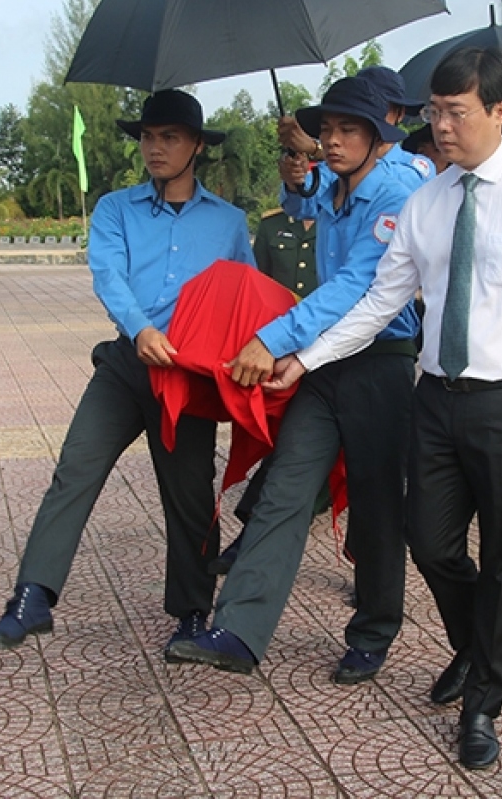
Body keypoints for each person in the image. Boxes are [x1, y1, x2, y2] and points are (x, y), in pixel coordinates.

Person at [262, 47, 502, 770]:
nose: (441, 126)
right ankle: (476, 645)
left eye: (457, 111)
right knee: (432, 541)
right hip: (436, 399)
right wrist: (307, 356)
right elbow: (378, 303)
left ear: (499, 113)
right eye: (434, 112)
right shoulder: (425, 203)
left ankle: (484, 698)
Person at [0, 90, 254, 655]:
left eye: (170, 137)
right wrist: (141, 328)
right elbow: (108, 275)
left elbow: (243, 293)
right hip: (129, 364)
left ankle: (193, 613)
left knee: (189, 497)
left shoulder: (228, 223)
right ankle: (32, 597)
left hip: (189, 376)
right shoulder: (115, 209)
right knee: (77, 465)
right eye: (149, 137)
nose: (155, 148)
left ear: (197, 146)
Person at [167, 76, 419, 688]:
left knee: (377, 506)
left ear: (380, 135)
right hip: (323, 361)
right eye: (326, 129)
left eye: (347, 131)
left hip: (380, 363)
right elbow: (305, 207)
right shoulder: (336, 186)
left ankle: (372, 631)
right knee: (284, 488)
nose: (331, 141)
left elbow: (354, 286)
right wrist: (296, 173)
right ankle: (240, 630)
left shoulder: (395, 194)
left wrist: (273, 339)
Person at [209, 207, 330, 576]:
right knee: (291, 441)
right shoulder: (274, 224)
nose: (300, 169)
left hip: (335, 346)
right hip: (282, 346)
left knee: (317, 449)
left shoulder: (345, 220)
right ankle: (255, 527)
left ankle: (254, 531)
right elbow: (256, 285)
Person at [277, 65, 432, 221]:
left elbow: (386, 183)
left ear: (400, 114)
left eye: (382, 106)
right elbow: (301, 207)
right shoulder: (335, 167)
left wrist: (315, 149)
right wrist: (294, 181)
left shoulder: (416, 167)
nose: (369, 111)